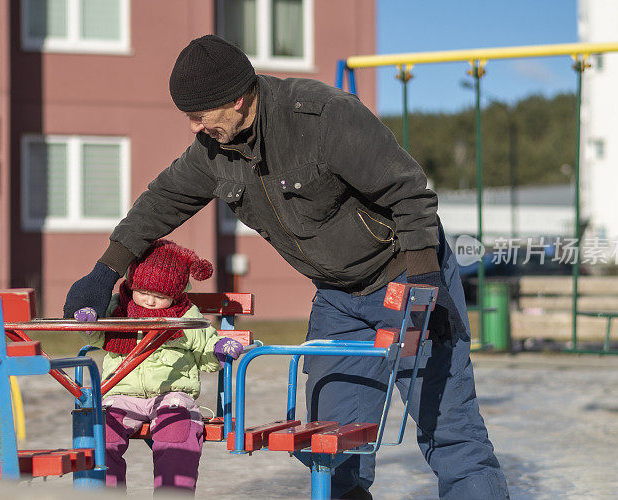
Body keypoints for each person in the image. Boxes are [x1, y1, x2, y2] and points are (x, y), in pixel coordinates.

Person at [64, 34, 509, 499]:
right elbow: (162, 202)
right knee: (330, 445)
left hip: (407, 278)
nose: (194, 127)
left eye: (199, 115)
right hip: (340, 300)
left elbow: (408, 190)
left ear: (237, 99)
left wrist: (425, 280)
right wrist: (105, 270)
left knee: (449, 429)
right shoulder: (215, 152)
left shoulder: (322, 117)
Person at [74, 239, 244, 495]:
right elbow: (98, 337)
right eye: (143, 292)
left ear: (175, 295)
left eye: (160, 296)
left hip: (171, 394)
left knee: (177, 431)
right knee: (101, 432)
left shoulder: (186, 316)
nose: (150, 302)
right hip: (121, 392)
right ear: (132, 284)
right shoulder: (117, 309)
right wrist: (90, 323)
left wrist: (219, 350)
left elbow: (205, 349)